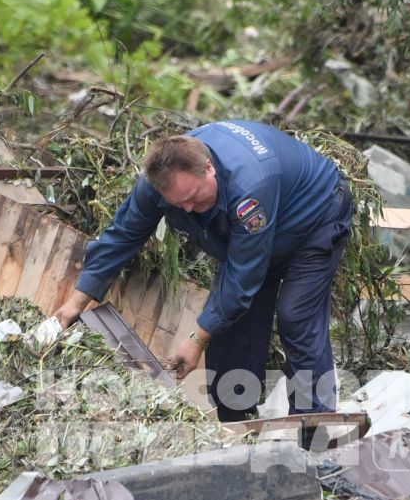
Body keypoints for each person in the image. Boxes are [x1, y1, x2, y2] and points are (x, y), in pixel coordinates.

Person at [50, 121, 353, 422]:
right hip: (257, 233)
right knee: (233, 324)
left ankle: (314, 432)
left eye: (194, 198)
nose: (189, 209)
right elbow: (122, 236)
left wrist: (196, 340)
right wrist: (74, 304)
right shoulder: (159, 185)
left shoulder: (249, 188)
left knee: (295, 318)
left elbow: (243, 276)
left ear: (209, 168)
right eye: (177, 204)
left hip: (315, 217)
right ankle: (237, 422)